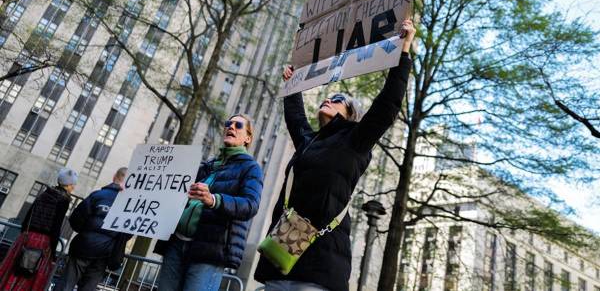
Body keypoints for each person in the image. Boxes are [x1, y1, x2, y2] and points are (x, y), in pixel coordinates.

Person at [254, 19, 416, 291]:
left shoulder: (356, 140)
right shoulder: (307, 142)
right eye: (328, 96)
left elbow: (388, 103)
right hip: (281, 258)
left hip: (320, 266)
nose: (329, 98)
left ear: (351, 114)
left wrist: (404, 50)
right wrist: (293, 82)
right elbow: (294, 114)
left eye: (339, 98)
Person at [155, 113, 264, 291]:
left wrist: (214, 200)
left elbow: (250, 205)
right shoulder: (207, 166)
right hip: (175, 245)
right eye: (229, 123)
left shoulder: (251, 168)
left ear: (247, 138)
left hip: (209, 251)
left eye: (238, 125)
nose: (231, 127)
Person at [0, 168, 77, 291]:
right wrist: (52, 251)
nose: (73, 187)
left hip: (27, 236)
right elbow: (56, 226)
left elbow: (28, 216)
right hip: (43, 242)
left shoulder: (45, 193)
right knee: (31, 273)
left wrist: (24, 235)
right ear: (67, 184)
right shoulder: (63, 200)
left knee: (14, 269)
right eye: (73, 184)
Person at [54, 167, 129, 291]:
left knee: (66, 284)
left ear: (114, 176)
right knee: (88, 287)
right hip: (104, 253)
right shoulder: (128, 204)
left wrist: (86, 233)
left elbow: (75, 219)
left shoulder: (97, 195)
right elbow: (127, 233)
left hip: (83, 246)